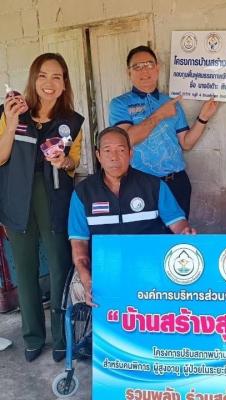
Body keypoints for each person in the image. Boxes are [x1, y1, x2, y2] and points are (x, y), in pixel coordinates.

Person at [0, 53, 83, 362]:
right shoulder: (10, 112)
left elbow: (74, 164)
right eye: (43, 75)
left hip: (55, 199)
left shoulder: (72, 122)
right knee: (25, 271)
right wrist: (11, 124)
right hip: (17, 199)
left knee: (60, 267)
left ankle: (62, 338)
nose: (49, 83)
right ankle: (33, 337)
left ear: (64, 84)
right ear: (33, 79)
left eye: (57, 77)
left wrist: (65, 161)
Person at [68, 127, 195, 307]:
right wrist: (86, 278)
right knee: (81, 291)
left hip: (149, 267)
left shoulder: (154, 186)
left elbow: (179, 225)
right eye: (107, 151)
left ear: (131, 153)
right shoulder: (83, 193)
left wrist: (186, 233)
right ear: (98, 155)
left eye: (121, 150)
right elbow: (79, 245)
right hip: (105, 269)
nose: (114, 157)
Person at [108, 45, 218, 218]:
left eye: (149, 64)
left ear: (157, 68)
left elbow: (186, 143)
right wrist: (160, 114)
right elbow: (126, 139)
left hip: (176, 182)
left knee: (177, 233)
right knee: (146, 234)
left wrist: (203, 117)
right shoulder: (120, 104)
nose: (144, 71)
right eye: (137, 67)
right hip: (140, 184)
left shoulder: (171, 102)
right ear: (129, 72)